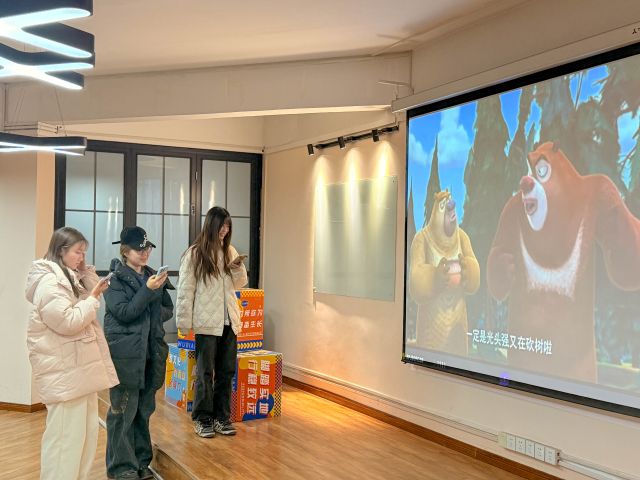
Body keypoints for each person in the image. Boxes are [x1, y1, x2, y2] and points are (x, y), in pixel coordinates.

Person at [25, 227, 118, 480]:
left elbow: (91, 294)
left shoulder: (69, 276)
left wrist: (86, 272)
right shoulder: (50, 282)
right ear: (61, 251)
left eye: (84, 252)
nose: (82, 257)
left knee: (84, 438)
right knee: (65, 443)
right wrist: (93, 299)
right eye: (78, 252)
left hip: (78, 370)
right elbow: (68, 322)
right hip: (65, 373)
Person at [103, 226, 173, 480]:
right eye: (139, 249)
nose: (145, 253)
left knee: (143, 412)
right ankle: (121, 468)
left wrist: (152, 312)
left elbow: (167, 309)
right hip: (125, 355)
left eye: (147, 248)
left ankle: (141, 462)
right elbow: (124, 313)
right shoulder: (114, 280)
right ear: (125, 251)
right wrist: (148, 292)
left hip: (151, 353)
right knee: (122, 413)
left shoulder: (154, 276)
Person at [176, 206, 248, 438]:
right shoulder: (195, 254)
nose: (224, 230)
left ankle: (221, 417)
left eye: (228, 226)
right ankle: (202, 418)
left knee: (226, 372)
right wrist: (183, 323)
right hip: (206, 323)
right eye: (221, 225)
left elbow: (240, 284)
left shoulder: (230, 251)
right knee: (205, 373)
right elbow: (185, 291)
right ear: (211, 225)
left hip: (229, 322)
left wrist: (237, 268)